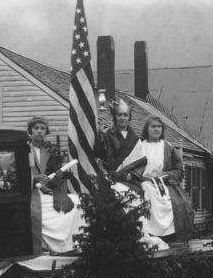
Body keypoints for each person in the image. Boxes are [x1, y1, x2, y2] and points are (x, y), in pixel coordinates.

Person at [117, 116, 193, 243]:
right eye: (153, 126)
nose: (156, 129)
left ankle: (169, 235)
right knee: (143, 194)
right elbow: (130, 166)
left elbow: (179, 170)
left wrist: (167, 176)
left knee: (179, 205)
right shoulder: (139, 146)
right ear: (147, 129)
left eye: (159, 126)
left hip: (164, 183)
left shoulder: (168, 147)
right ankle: (148, 232)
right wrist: (136, 176)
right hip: (142, 182)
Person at [26, 117, 85, 254]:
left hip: (48, 191)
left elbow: (54, 175)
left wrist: (59, 175)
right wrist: (33, 179)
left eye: (42, 128)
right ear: (30, 131)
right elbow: (14, 174)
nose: (39, 131)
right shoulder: (24, 149)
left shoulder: (50, 151)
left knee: (76, 201)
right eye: (36, 128)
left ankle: (72, 244)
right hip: (31, 192)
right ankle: (55, 246)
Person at [94, 98, 139, 173]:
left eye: (125, 115)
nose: (122, 118)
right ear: (115, 117)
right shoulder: (106, 134)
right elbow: (99, 155)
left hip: (129, 177)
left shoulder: (135, 139)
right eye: (119, 115)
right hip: (109, 175)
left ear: (129, 117)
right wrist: (101, 139)